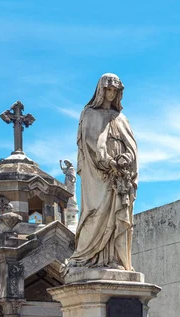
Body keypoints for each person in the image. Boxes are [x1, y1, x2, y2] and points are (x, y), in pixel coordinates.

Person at [66, 73, 138, 271]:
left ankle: (114, 259)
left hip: (120, 177)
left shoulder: (121, 118)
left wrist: (126, 159)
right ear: (100, 90)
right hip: (99, 175)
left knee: (118, 218)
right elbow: (90, 143)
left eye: (115, 90)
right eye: (108, 89)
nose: (111, 93)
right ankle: (88, 256)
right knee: (96, 212)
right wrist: (107, 161)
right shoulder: (89, 113)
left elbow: (132, 147)